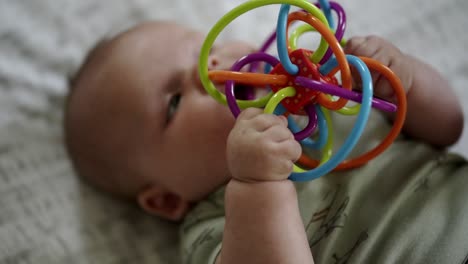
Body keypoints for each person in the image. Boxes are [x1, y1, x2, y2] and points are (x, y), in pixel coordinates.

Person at [64, 21, 467, 264]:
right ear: (167, 199)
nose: (213, 69)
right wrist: (258, 189)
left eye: (205, 48)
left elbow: (449, 126)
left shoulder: (331, 92)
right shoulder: (215, 227)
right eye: (174, 101)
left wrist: (402, 79)